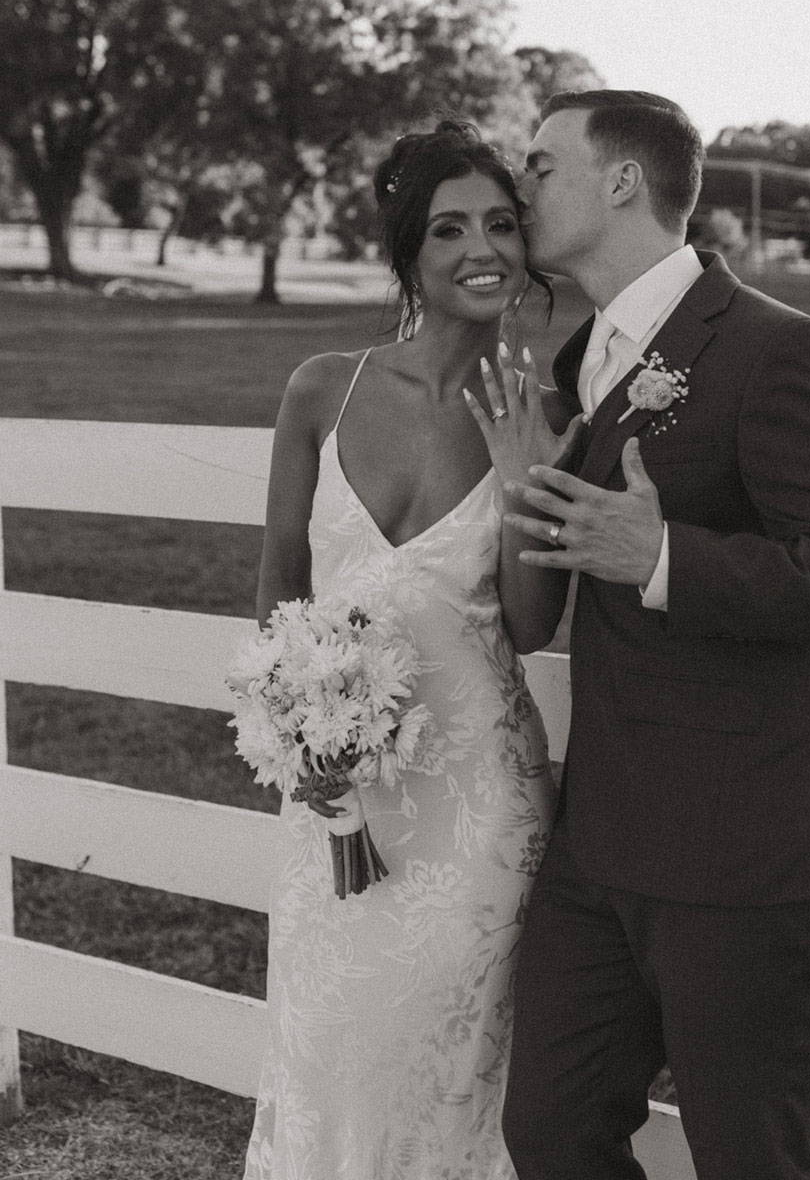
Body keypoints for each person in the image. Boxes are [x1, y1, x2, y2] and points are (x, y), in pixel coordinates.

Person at [493, 89, 810, 1180]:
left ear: (623, 179)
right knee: (550, 1127)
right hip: (603, 840)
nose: (516, 185)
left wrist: (665, 557)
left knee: (747, 1159)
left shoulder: (781, 349)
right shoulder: (580, 365)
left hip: (746, 841)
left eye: (539, 164)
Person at [242, 121, 580, 1180]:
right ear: (411, 256)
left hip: (476, 803)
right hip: (335, 794)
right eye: (450, 229)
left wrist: (527, 483)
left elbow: (533, 626)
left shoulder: (543, 408)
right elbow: (280, 580)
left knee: (450, 1068)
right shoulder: (321, 389)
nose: (483, 248)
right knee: (330, 1045)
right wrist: (298, 737)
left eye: (500, 224)